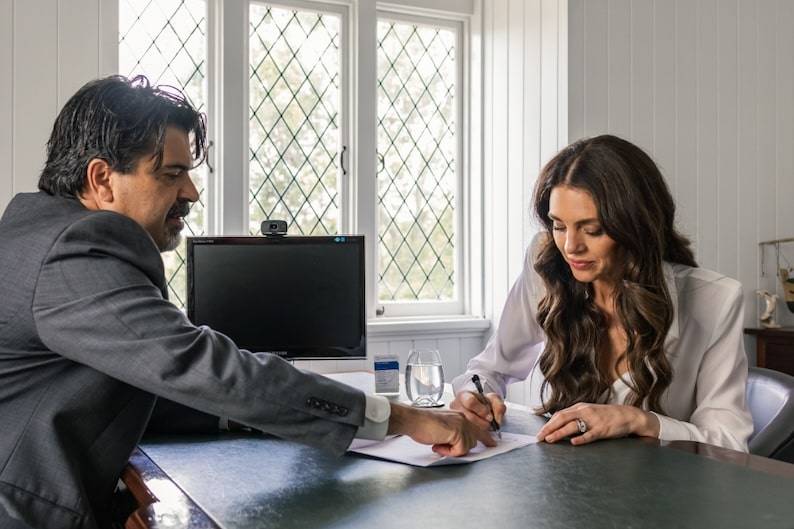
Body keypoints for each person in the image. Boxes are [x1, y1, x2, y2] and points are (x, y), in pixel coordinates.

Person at [0, 75, 493, 529]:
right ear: (102, 178)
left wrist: (244, 414)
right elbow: (198, 365)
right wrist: (402, 418)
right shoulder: (79, 248)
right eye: (172, 174)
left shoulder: (34, 234)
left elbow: (130, 386)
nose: (191, 191)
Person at [451, 135, 753, 452]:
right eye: (558, 225)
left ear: (636, 225)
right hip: (566, 485)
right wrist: (476, 396)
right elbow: (490, 369)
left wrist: (639, 421)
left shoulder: (716, 300)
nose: (571, 247)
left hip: (666, 493)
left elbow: (730, 443)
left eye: (592, 229)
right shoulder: (547, 266)